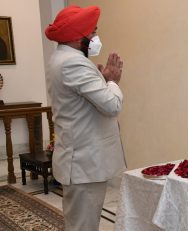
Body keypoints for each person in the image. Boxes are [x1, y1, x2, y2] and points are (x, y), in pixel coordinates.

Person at [44, 5, 126, 231]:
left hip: (80, 161)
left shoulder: (61, 57)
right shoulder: (74, 62)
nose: (94, 38)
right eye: (92, 32)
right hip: (84, 163)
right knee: (83, 226)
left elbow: (79, 97)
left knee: (80, 223)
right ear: (77, 36)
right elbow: (111, 105)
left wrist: (101, 76)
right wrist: (112, 81)